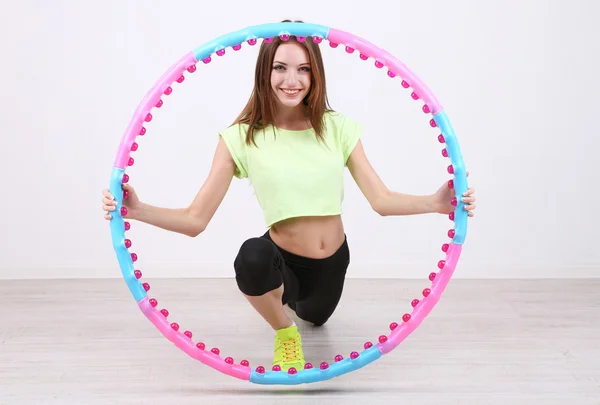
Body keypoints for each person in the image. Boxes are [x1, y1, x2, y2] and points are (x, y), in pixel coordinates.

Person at [101, 20, 477, 372]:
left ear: (316, 74)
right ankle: (284, 332)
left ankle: (293, 309)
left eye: (303, 69)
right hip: (282, 262)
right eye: (280, 67)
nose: (291, 80)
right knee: (252, 256)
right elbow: (195, 220)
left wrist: (435, 202)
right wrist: (138, 209)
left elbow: (380, 199)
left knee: (315, 316)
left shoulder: (337, 128)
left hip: (331, 267)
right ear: (265, 72)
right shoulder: (241, 138)